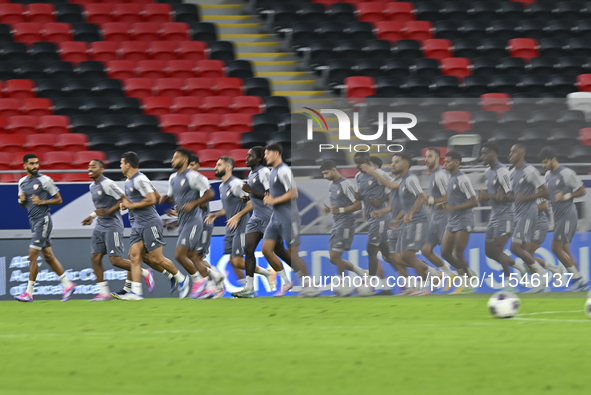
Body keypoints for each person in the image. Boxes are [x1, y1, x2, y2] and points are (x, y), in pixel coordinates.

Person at [119, 151, 189, 300]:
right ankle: (136, 293)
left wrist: (131, 204)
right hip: (138, 224)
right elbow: (157, 196)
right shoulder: (128, 182)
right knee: (134, 256)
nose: (120, 166)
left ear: (128, 165)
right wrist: (127, 206)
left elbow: (152, 199)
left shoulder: (140, 179)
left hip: (149, 223)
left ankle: (182, 279)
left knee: (157, 259)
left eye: (121, 163)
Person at [82, 159, 155, 301]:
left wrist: (108, 211)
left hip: (113, 226)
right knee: (95, 257)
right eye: (89, 166)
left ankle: (145, 273)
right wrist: (92, 216)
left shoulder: (107, 184)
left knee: (115, 260)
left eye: (94, 166)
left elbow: (123, 199)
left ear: (101, 169)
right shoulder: (92, 186)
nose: (90, 169)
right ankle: (103, 292)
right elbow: (101, 207)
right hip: (100, 225)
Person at [160, 149, 225, 299]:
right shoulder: (173, 178)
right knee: (191, 255)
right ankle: (209, 287)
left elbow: (210, 194)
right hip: (183, 222)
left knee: (179, 254)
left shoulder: (194, 176)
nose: (172, 160)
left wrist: (193, 203)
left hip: (195, 221)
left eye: (176, 157)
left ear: (185, 160)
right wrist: (166, 199)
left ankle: (198, 281)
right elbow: (173, 197)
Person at [205, 156, 275, 293]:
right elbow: (227, 209)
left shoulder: (237, 184)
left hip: (241, 226)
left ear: (228, 168)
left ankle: (267, 273)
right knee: (233, 262)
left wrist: (237, 217)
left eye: (218, 165)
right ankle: (246, 287)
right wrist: (216, 214)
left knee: (237, 261)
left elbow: (252, 203)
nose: (215, 168)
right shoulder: (221, 186)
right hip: (231, 227)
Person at [15, 153, 76, 302]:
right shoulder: (22, 182)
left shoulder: (45, 180)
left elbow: (59, 200)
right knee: (48, 256)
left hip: (43, 220)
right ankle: (68, 285)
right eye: (31, 164)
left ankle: (29, 293)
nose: (35, 166)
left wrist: (42, 201)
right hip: (33, 221)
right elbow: (23, 205)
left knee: (32, 256)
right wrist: (21, 201)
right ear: (25, 166)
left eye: (36, 163)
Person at [232, 147, 291, 298]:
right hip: (256, 218)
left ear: (258, 159)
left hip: (269, 217)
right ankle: (250, 288)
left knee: (279, 251)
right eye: (247, 155)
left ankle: (294, 278)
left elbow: (271, 194)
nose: (246, 158)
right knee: (248, 249)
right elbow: (258, 195)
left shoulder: (264, 172)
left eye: (250, 156)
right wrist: (248, 197)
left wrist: (251, 192)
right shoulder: (252, 173)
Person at [262, 143, 319, 297]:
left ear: (276, 153)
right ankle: (287, 282)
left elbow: (293, 193)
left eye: (267, 153)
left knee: (294, 254)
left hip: (289, 218)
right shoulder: (273, 171)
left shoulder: (284, 170)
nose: (265, 156)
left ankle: (308, 284)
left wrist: (274, 200)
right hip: (276, 218)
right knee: (266, 250)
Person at [539, 147, 588, 291]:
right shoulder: (547, 175)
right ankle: (579, 283)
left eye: (546, 162)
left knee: (555, 247)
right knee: (565, 249)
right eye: (542, 163)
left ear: (554, 160)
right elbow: (551, 194)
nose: (544, 166)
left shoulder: (566, 173)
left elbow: (582, 190)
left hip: (568, 215)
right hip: (558, 217)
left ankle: (578, 278)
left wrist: (565, 196)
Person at [478, 142, 527, 287]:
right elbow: (490, 195)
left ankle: (510, 282)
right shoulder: (488, 172)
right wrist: (483, 197)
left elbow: (512, 197)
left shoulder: (502, 172)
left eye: (485, 154)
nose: (482, 157)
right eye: (482, 154)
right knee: (489, 252)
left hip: (506, 215)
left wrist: (490, 196)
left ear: (493, 154)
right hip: (494, 215)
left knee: (497, 251)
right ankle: (519, 266)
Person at [319, 160, 368, 296]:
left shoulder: (345, 184)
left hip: (346, 223)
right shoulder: (331, 185)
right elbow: (337, 207)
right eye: (323, 174)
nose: (325, 176)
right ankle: (361, 273)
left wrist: (339, 210)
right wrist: (328, 210)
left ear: (334, 170)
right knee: (333, 258)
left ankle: (344, 285)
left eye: (326, 173)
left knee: (335, 255)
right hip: (337, 223)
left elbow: (358, 205)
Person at [507, 144, 549, 281]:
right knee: (524, 252)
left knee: (515, 248)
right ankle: (540, 281)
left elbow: (546, 192)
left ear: (522, 154)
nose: (510, 154)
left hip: (528, 215)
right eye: (510, 152)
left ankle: (542, 274)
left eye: (513, 152)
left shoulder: (529, 171)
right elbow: (514, 196)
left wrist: (528, 198)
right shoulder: (512, 173)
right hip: (518, 216)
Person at [439, 151, 479, 291]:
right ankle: (466, 275)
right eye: (445, 161)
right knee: (444, 252)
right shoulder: (450, 178)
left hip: (464, 219)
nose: (445, 164)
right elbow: (456, 198)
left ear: (456, 163)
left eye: (448, 161)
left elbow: (474, 202)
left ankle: (468, 280)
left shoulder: (463, 179)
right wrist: (444, 203)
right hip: (452, 220)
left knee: (458, 253)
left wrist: (453, 207)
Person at [422, 148, 457, 286]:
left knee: (448, 252)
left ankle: (466, 277)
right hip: (435, 218)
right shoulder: (432, 175)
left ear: (437, 159)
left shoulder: (440, 175)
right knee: (425, 249)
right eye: (425, 156)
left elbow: (448, 197)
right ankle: (450, 274)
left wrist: (430, 200)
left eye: (429, 156)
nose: (426, 159)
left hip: (445, 218)